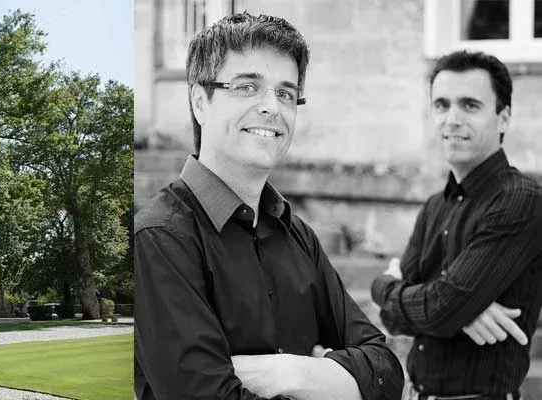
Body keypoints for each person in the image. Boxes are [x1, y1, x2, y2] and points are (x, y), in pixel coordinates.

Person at [133, 12, 404, 399]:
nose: (271, 107)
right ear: (199, 101)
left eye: (286, 93)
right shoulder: (160, 238)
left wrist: (295, 374)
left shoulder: (298, 237)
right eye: (247, 87)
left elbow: (386, 371)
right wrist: (338, 383)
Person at [370, 50, 542, 400]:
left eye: (470, 105)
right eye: (442, 105)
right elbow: (395, 320)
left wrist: (388, 288)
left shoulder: (521, 200)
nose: (452, 119)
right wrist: (455, 310)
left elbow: (440, 308)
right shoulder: (435, 206)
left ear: (504, 118)